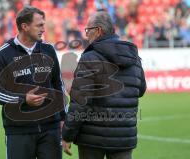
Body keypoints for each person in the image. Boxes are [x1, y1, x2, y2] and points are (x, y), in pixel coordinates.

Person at [62, 11, 146, 159]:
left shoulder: (90, 58)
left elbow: (80, 103)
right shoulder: (133, 56)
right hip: (124, 136)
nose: (86, 34)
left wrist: (67, 135)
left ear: (98, 31)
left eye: (88, 30)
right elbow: (140, 90)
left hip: (92, 139)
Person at [0, 6, 66, 159]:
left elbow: (58, 85)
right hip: (18, 131)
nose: (44, 28)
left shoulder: (49, 50)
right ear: (25, 26)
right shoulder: (3, 54)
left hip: (51, 129)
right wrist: (23, 99)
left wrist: (63, 118)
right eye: (39, 25)